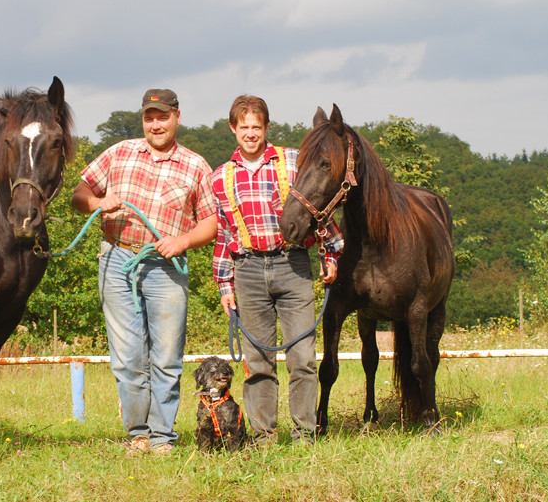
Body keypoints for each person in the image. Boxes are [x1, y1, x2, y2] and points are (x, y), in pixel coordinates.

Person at [71, 88, 217, 456]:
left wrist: (183, 242)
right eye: (150, 117)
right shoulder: (118, 153)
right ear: (143, 119)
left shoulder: (196, 165)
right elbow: (79, 194)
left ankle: (162, 437)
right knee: (127, 357)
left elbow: (213, 222)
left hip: (166, 266)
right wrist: (96, 202)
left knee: (166, 356)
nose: (156, 124)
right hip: (117, 260)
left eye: (163, 117)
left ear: (177, 117)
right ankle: (138, 434)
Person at [211, 95, 344, 446]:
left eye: (257, 126)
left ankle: (304, 434)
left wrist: (331, 252)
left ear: (266, 128)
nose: (251, 133)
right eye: (244, 127)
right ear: (233, 129)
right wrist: (224, 283)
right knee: (258, 362)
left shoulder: (290, 161)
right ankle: (263, 436)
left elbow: (317, 207)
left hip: (292, 265)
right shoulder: (220, 177)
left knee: (302, 357)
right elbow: (224, 234)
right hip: (248, 271)